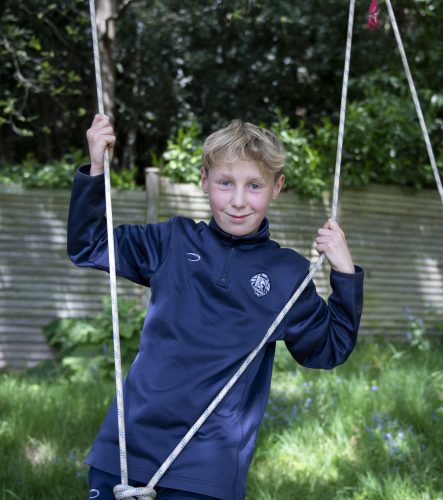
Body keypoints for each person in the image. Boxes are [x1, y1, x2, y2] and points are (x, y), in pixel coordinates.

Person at [67, 114, 364, 500]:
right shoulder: (171, 241)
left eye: (254, 185)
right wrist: (95, 166)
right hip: (125, 448)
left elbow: (329, 349)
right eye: (226, 183)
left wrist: (344, 271)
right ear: (205, 181)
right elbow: (89, 245)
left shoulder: (288, 273)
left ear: (276, 188)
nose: (238, 201)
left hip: (209, 467)